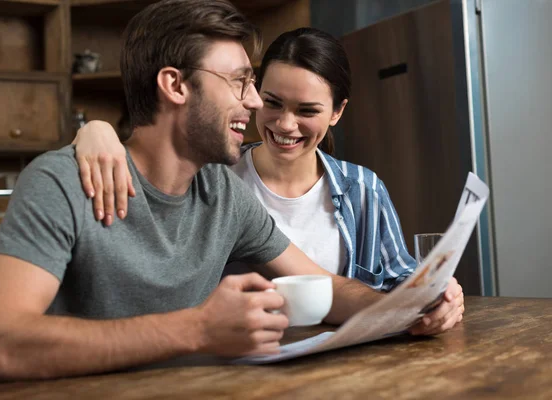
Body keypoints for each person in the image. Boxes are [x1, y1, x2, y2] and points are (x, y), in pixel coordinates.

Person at [0, 0, 435, 385]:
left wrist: (410, 310)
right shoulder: (61, 183)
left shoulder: (223, 195)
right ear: (174, 85)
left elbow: (325, 288)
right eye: (239, 82)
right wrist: (199, 329)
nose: (254, 103)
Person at [73, 27, 464, 331]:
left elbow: (395, 282)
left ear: (337, 112)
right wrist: (96, 130)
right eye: (273, 102)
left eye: (307, 110)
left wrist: (434, 298)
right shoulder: (215, 180)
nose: (284, 124)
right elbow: (152, 159)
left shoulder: (363, 189)